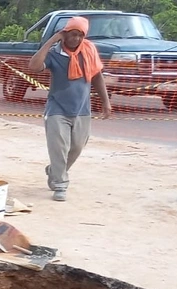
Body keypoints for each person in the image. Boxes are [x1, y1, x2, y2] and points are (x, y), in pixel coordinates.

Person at [29, 16, 111, 202]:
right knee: (59, 148)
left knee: (76, 147)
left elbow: (97, 76)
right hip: (57, 109)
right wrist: (51, 40)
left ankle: (54, 170)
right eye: (72, 35)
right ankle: (60, 185)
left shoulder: (88, 52)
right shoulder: (55, 54)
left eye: (80, 35)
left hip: (82, 109)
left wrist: (105, 101)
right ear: (64, 35)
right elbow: (34, 66)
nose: (76, 39)